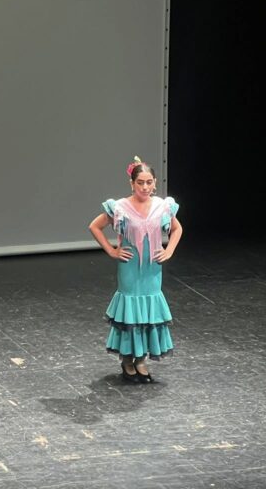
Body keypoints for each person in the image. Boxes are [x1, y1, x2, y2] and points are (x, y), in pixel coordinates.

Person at [88, 157, 183, 382]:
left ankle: (141, 360)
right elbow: (95, 226)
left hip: (152, 269)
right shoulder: (120, 207)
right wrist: (112, 251)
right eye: (140, 182)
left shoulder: (162, 206)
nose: (145, 187)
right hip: (130, 267)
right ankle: (128, 359)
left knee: (148, 312)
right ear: (132, 183)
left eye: (149, 182)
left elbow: (177, 229)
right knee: (131, 311)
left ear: (155, 183)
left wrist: (169, 251)